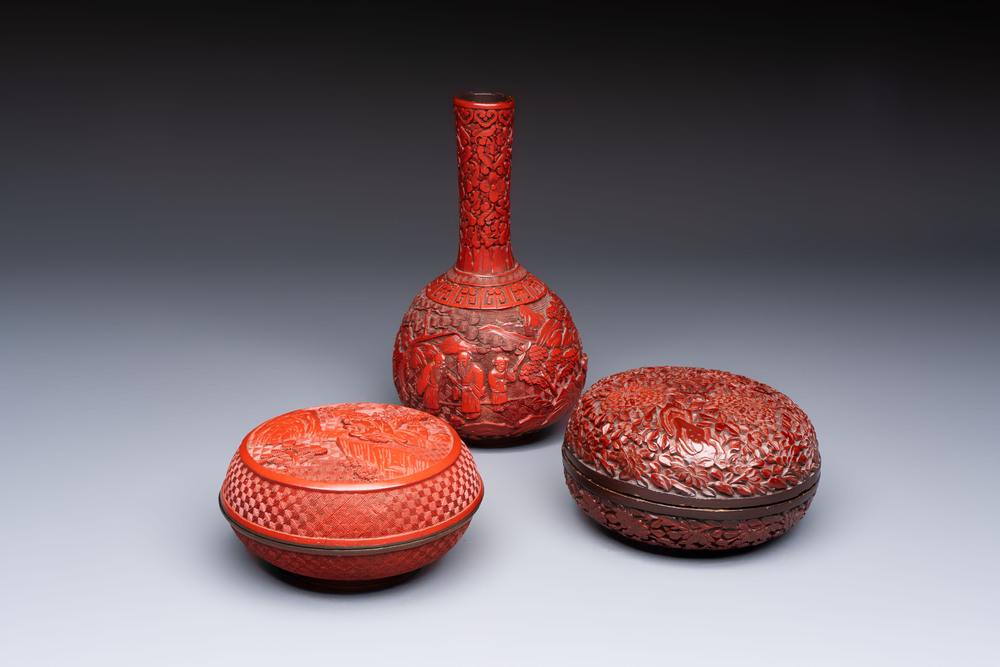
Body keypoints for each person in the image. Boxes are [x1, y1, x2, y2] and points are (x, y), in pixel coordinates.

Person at [453, 351, 485, 419]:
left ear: (469, 361)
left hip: (472, 390)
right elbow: (460, 379)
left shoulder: (476, 369)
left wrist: (471, 387)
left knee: (473, 405)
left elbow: (479, 382)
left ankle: (475, 414)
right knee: (466, 405)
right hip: (465, 390)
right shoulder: (461, 369)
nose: (460, 363)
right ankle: (467, 415)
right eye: (459, 361)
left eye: (463, 361)